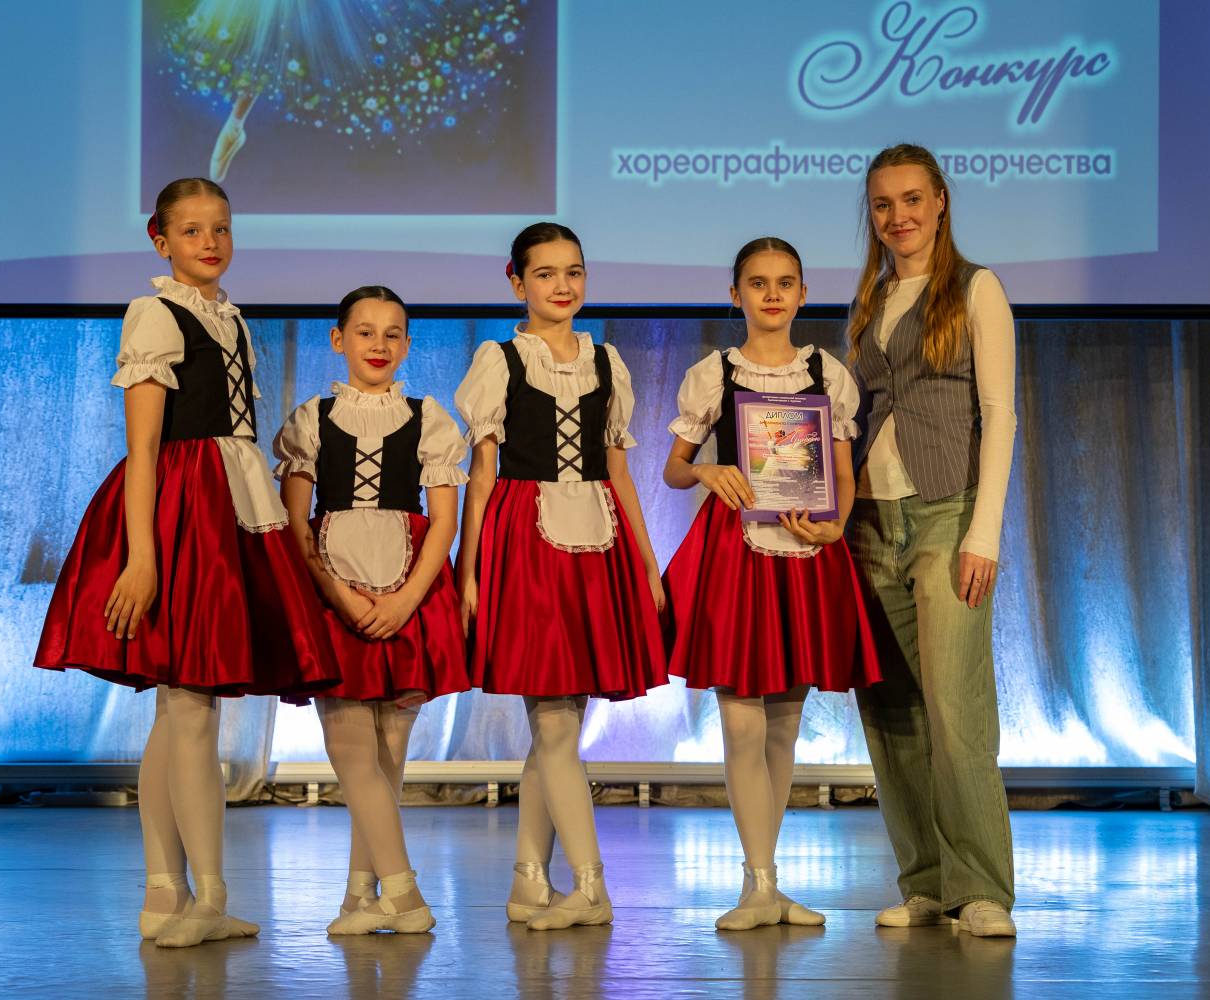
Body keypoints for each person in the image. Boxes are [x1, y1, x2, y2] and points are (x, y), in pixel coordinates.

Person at [34, 177, 338, 947]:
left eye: (221, 228)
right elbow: (142, 449)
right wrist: (143, 559)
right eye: (193, 230)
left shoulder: (226, 316)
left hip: (232, 504)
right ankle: (208, 895)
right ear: (160, 238)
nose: (210, 242)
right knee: (192, 707)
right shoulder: (155, 313)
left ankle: (165, 892)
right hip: (183, 513)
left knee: (179, 716)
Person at [662, 236, 881, 931]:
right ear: (736, 295)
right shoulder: (713, 375)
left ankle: (770, 881)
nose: (773, 294)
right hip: (738, 554)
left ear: (803, 293)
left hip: (805, 554)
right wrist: (706, 470)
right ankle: (756, 883)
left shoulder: (827, 374)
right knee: (740, 721)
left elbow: (842, 474)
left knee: (784, 725)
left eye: (786, 282)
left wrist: (836, 525)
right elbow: (674, 468)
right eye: (758, 283)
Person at [454, 222, 667, 930]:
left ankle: (527, 880)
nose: (562, 285)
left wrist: (646, 562)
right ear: (517, 282)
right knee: (551, 720)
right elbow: (483, 474)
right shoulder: (500, 360)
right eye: (545, 274)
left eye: (573, 271)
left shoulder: (606, 361)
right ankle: (590, 886)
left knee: (558, 727)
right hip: (527, 539)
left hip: (598, 539)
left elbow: (620, 472)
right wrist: (469, 568)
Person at [846, 144, 1019, 938]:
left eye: (912, 199)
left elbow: (1000, 414)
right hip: (869, 521)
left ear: (941, 200)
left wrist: (985, 531)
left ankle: (980, 888)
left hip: (949, 511)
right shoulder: (870, 298)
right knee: (891, 712)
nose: (898, 216)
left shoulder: (978, 287)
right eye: (883, 204)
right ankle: (926, 883)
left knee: (955, 709)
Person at [273, 285, 471, 935]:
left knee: (387, 760)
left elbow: (445, 523)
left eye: (392, 333)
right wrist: (338, 594)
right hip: (334, 590)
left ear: (408, 344)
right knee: (354, 753)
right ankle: (396, 896)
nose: (378, 344)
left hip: (408, 586)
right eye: (365, 332)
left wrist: (408, 598)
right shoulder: (311, 419)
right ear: (339, 340)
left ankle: (369, 896)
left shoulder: (428, 418)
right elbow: (294, 522)